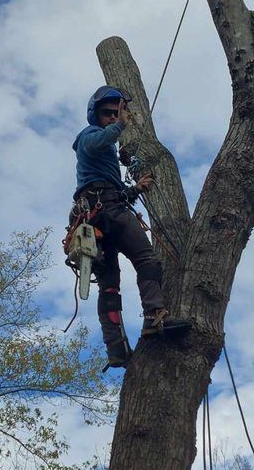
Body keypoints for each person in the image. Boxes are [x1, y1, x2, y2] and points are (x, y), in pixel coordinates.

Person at [70, 85, 191, 368]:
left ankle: (117, 349)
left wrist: (135, 189)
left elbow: (111, 189)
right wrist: (121, 125)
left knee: (109, 284)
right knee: (146, 258)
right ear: (95, 115)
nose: (113, 117)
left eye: (117, 113)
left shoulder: (105, 156)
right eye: (108, 113)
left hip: (103, 210)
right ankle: (154, 316)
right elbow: (95, 144)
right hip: (106, 212)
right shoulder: (88, 136)